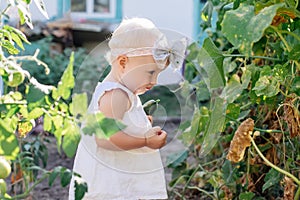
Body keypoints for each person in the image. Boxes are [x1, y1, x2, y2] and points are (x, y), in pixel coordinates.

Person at [69, 17, 187, 200]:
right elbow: (105, 138)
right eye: (150, 72)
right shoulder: (115, 95)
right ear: (123, 62)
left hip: (119, 181)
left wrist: (137, 124)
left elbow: (118, 125)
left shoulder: (123, 92)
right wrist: (145, 140)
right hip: (111, 187)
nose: (154, 81)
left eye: (157, 74)